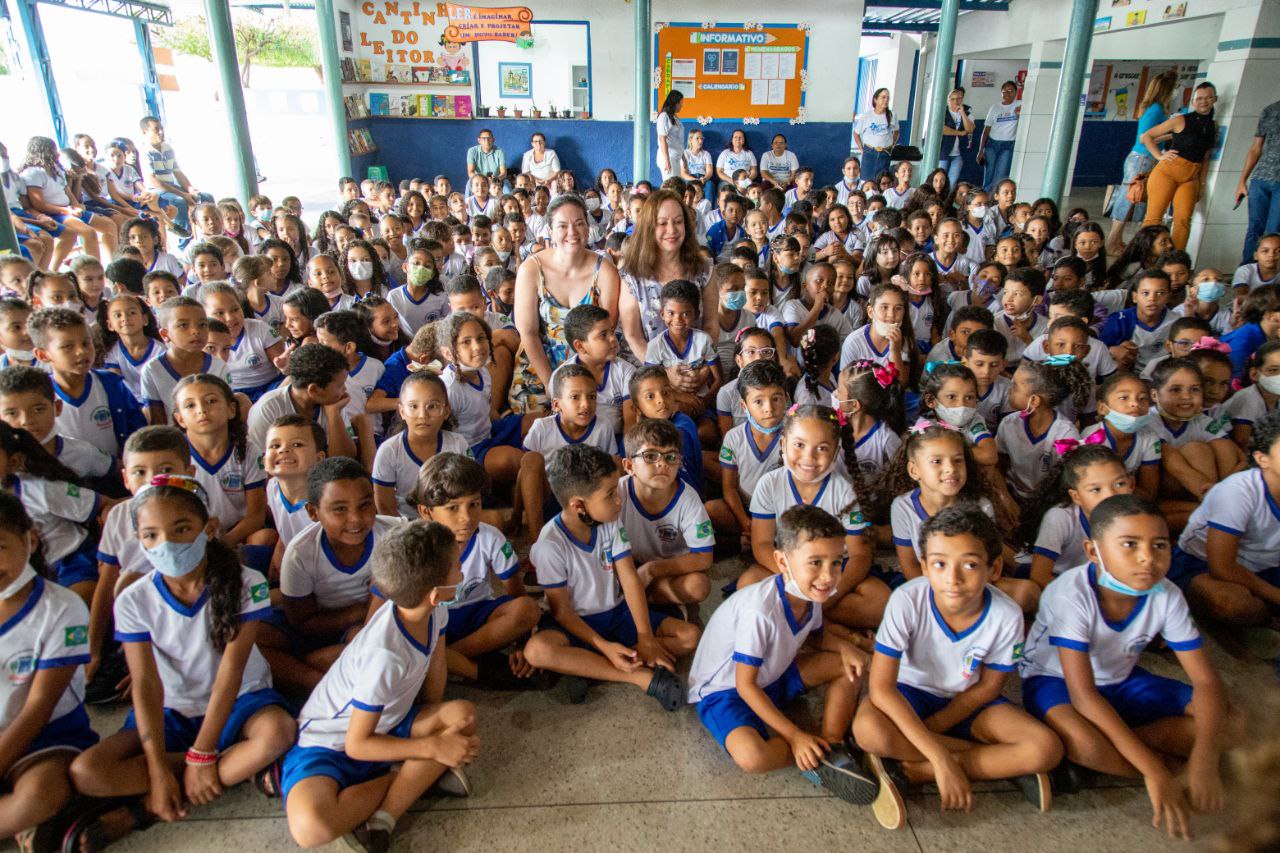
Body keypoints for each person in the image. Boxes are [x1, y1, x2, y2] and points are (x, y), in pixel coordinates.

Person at [66, 476, 295, 850]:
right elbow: (145, 684)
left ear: (209, 528)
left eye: (181, 529)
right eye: (151, 535)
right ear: (139, 539)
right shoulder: (133, 599)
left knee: (278, 732)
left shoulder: (246, 582)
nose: (167, 544)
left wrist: (202, 754)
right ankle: (233, 768)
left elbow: (231, 671)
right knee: (87, 772)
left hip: (241, 699)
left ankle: (143, 811)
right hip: (172, 708)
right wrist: (158, 769)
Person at [1020, 494, 1231, 842]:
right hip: (1055, 681)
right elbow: (1084, 696)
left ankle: (1117, 756)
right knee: (1084, 742)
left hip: (1122, 678)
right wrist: (1155, 771)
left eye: (1159, 545)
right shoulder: (1071, 594)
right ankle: (1160, 767)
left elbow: (1206, 681)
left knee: (1233, 724)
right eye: (1130, 544)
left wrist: (1205, 760)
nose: (1147, 557)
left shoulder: (1167, 594)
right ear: (1093, 551)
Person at [856, 505, 1060, 830]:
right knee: (868, 731)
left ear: (994, 569)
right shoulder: (906, 600)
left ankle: (913, 771)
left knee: (1046, 749)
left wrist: (936, 735)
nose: (953, 578)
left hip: (968, 701)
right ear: (925, 566)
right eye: (940, 564)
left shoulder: (1007, 614)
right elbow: (881, 688)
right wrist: (939, 754)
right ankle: (991, 761)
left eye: (970, 564)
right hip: (908, 694)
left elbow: (989, 687)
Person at [281, 520, 480, 851]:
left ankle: (383, 818)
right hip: (332, 742)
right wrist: (431, 748)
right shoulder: (384, 655)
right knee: (312, 828)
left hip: (389, 724)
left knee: (462, 716)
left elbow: (436, 669)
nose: (461, 572)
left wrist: (433, 725)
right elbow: (357, 744)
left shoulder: (433, 612)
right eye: (456, 567)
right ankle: (405, 778)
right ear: (434, 594)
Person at [521, 443, 700, 709]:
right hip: (576, 624)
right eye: (610, 495)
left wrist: (645, 637)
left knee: (690, 636)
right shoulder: (550, 544)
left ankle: (586, 667)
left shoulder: (610, 521)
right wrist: (605, 646)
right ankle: (638, 676)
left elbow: (629, 579)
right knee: (537, 651)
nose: (619, 500)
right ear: (578, 505)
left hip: (616, 614)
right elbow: (562, 612)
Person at [0, 493, 97, 847]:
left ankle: (30, 816)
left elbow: (39, 706)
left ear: (31, 539)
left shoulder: (62, 609)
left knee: (40, 794)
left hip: (46, 738)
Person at [512, 195, 620, 414]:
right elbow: (528, 333)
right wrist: (550, 383)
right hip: (539, 364)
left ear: (588, 228)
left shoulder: (604, 271)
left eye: (579, 223)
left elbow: (605, 333)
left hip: (590, 364)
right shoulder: (531, 269)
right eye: (562, 226)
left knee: (596, 418)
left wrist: (578, 384)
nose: (572, 232)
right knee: (535, 422)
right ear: (550, 231)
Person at [1141, 82, 1219, 250]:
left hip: (1191, 177)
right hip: (1167, 173)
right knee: (1153, 219)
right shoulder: (1181, 120)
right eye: (1199, 98)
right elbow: (1146, 136)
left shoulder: (1213, 126)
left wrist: (1202, 183)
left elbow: (1206, 157)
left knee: (1183, 220)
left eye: (1208, 98)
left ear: (1215, 99)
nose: (1203, 101)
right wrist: (1159, 156)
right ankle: (1145, 258)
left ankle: (1176, 260)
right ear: (1193, 102)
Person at [1107, 70, 1177, 255]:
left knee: (1131, 199)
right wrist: (1161, 153)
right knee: (1128, 199)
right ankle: (1112, 241)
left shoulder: (1155, 108)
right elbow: (1145, 138)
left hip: (1142, 158)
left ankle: (1117, 240)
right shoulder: (1156, 110)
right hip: (1141, 159)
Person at [137, 116, 210, 238]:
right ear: (145, 132)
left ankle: (210, 233)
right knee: (179, 202)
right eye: (156, 129)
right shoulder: (146, 152)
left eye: (161, 128)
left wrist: (191, 189)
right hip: (158, 191)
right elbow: (155, 182)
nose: (161, 132)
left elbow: (178, 173)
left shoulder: (167, 148)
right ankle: (185, 238)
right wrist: (184, 195)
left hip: (172, 188)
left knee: (205, 197)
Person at [1238, 98, 1280, 264]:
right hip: (1260, 179)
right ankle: (1246, 271)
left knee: (1273, 231)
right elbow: (1256, 149)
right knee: (1254, 228)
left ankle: (1267, 274)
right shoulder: (1270, 110)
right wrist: (1242, 181)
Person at [977, 81, 1021, 193]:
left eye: (1010, 90)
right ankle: (986, 197)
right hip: (992, 145)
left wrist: (1021, 115)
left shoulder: (1020, 105)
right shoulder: (995, 107)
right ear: (1001, 93)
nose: (1007, 93)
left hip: (1008, 146)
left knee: (1000, 176)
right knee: (989, 174)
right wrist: (980, 150)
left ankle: (993, 198)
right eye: (1004, 91)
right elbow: (986, 130)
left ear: (1016, 92)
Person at [853, 88, 899, 183]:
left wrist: (892, 145)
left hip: (885, 153)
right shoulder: (867, 116)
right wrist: (861, 149)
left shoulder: (892, 115)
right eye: (883, 97)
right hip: (869, 153)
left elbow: (896, 132)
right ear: (875, 99)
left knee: (882, 182)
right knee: (866, 181)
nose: (886, 100)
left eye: (888, 98)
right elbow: (856, 134)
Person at [939, 88, 974, 187]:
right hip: (943, 153)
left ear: (962, 100)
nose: (955, 101)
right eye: (952, 99)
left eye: (958, 98)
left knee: (952, 181)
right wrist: (960, 133)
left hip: (959, 154)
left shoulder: (967, 112)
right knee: (940, 180)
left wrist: (962, 113)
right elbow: (942, 129)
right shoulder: (943, 112)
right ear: (948, 101)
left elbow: (970, 129)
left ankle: (948, 197)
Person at [656, 91, 686, 183]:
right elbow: (662, 139)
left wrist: (684, 159)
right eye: (680, 103)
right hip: (669, 156)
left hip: (677, 157)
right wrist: (667, 160)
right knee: (671, 186)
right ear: (674, 103)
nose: (681, 106)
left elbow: (679, 142)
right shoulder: (664, 116)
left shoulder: (674, 117)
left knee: (678, 185)